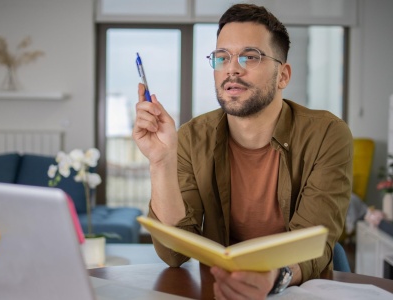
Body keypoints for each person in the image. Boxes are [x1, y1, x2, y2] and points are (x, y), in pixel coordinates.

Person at [133, 3, 353, 299]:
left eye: (251, 56)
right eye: (221, 57)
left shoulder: (327, 134)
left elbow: (314, 243)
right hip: (220, 288)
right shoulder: (190, 137)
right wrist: (161, 161)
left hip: (296, 288)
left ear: (283, 76)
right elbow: (174, 254)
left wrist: (273, 279)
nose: (232, 68)